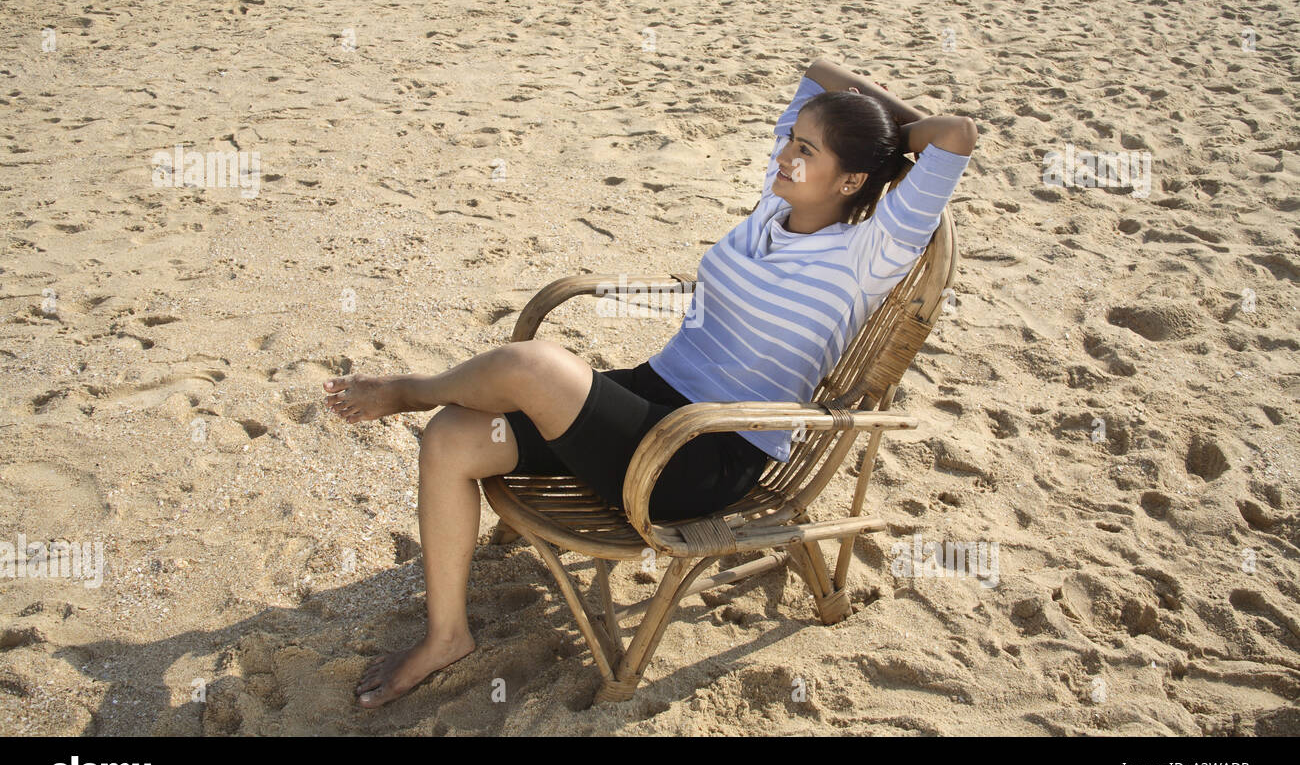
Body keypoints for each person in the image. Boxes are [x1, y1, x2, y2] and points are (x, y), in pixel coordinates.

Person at [322, 57, 978, 707]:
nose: (784, 154)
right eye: (788, 138)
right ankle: (447, 637)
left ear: (853, 179)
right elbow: (823, 70)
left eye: (805, 148)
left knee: (531, 366)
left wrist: (893, 142)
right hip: (652, 397)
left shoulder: (872, 252)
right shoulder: (770, 210)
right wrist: (869, 130)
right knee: (453, 439)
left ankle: (409, 390)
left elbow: (955, 135)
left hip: (706, 452)